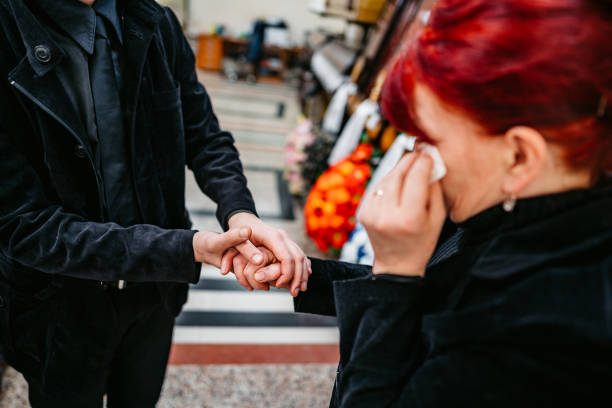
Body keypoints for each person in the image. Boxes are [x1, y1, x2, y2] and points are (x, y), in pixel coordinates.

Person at [239, 0, 612, 406]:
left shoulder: (546, 335)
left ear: (520, 156)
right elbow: (439, 283)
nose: (415, 157)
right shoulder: (515, 208)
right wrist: (308, 273)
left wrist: (393, 279)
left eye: (429, 139)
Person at [0, 0, 309, 406]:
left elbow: (204, 137)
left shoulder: (154, 21)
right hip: (59, 303)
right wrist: (188, 248)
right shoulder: (8, 33)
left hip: (154, 295)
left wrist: (242, 215)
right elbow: (25, 226)